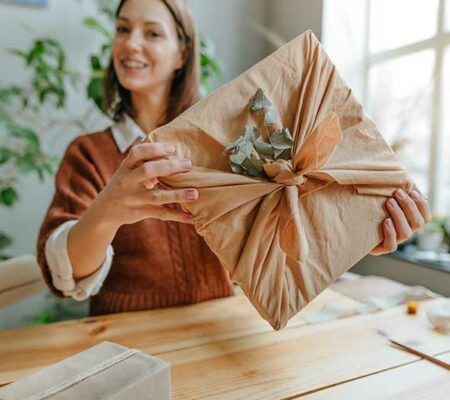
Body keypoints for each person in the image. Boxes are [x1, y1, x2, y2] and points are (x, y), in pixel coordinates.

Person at [37, 0, 431, 316]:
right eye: (123, 29)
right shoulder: (89, 153)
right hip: (126, 348)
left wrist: (354, 231)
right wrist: (106, 211)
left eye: (151, 33)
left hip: (223, 332)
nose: (130, 43)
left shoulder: (232, 143)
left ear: (182, 53)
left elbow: (271, 243)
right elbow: (63, 275)